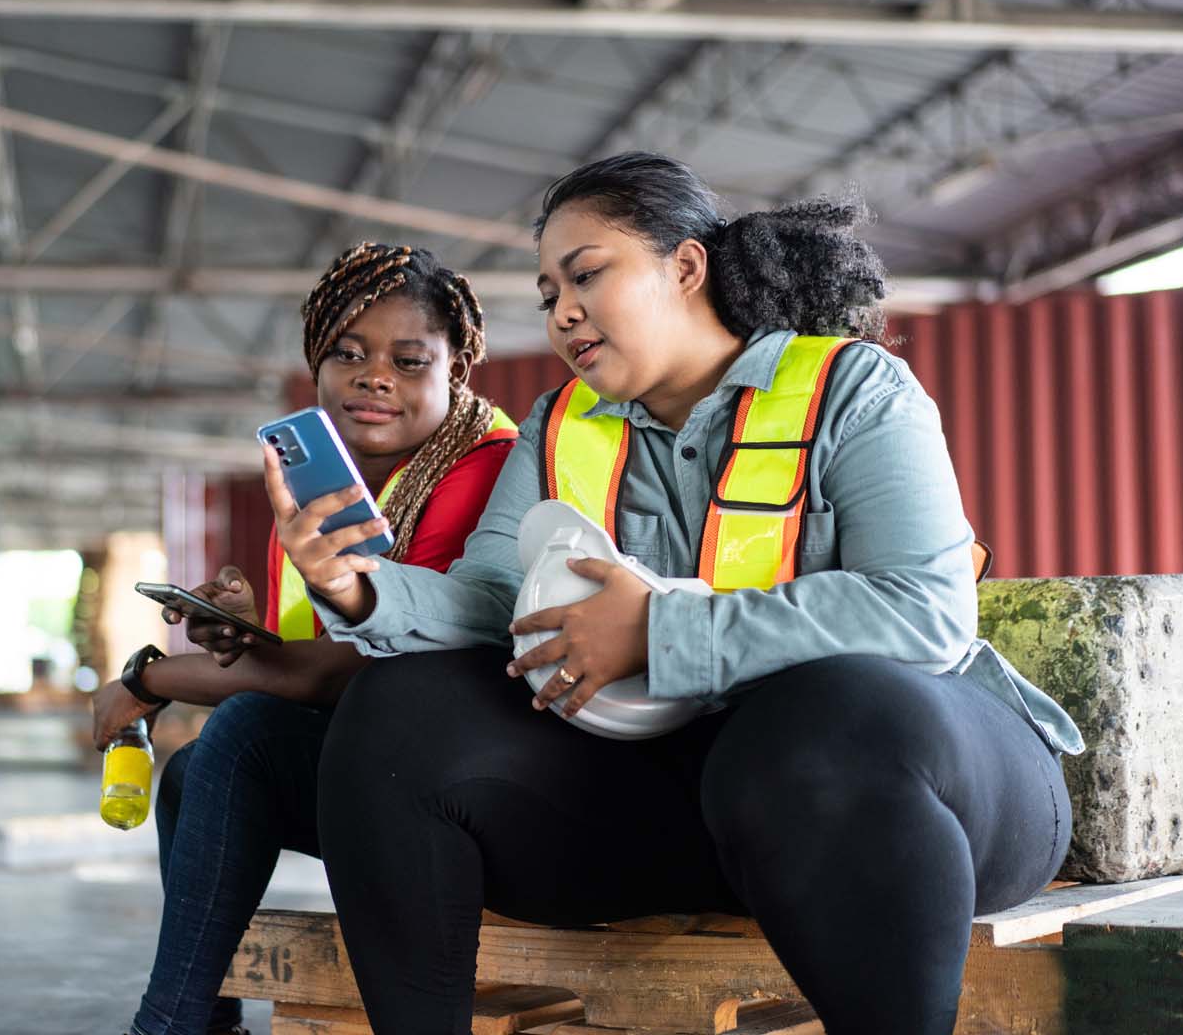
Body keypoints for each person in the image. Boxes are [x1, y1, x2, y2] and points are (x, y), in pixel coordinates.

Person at [267, 153, 1085, 1035]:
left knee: (822, 711)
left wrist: (659, 630)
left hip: (922, 797)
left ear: (685, 267)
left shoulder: (852, 388)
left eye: (586, 275)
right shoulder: (558, 427)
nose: (563, 312)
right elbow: (491, 600)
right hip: (699, 801)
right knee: (400, 709)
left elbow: (923, 613)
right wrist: (363, 591)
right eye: (548, 296)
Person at [91, 242, 518, 1035]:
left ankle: (167, 1024)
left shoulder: (481, 469)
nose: (372, 376)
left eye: (407, 359)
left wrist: (150, 680)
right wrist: (241, 623)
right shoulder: (329, 477)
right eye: (346, 353)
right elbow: (300, 654)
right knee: (192, 776)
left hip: (474, 790)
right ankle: (202, 1020)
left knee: (244, 733)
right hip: (384, 763)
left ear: (455, 369)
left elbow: (340, 673)